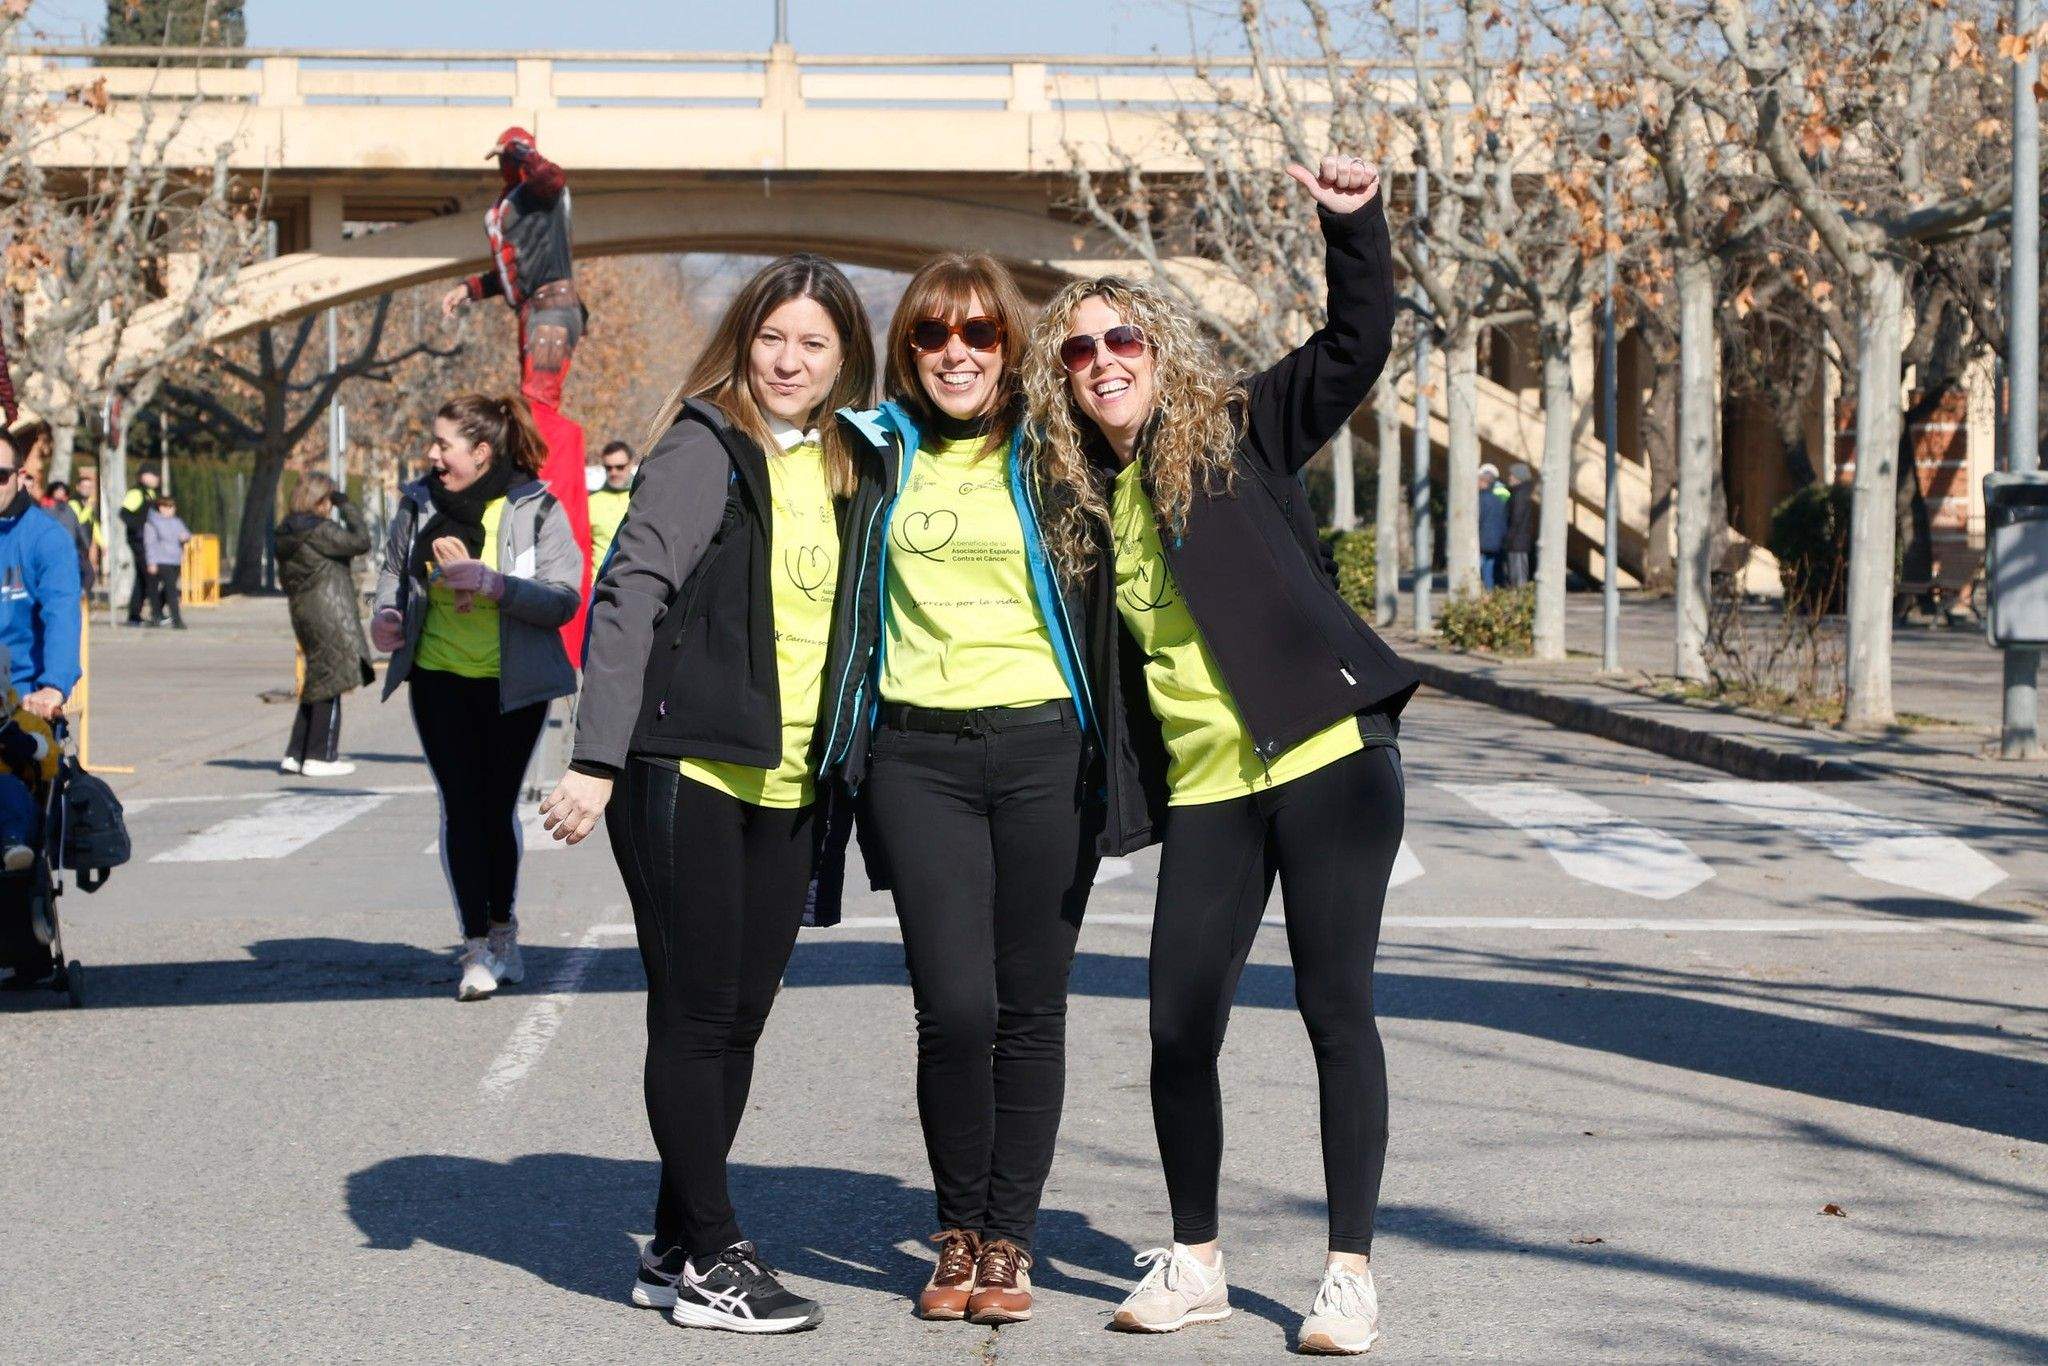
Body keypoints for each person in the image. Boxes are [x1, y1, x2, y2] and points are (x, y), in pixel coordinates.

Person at [1022, 153, 1415, 1355]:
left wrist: (1353, 226)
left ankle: (1347, 1271)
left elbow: (1354, 342)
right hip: (1207, 791)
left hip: (1326, 760)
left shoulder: (1238, 428)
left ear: (1159, 347)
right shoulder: (1071, 493)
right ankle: (1193, 1258)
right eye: (1078, 351)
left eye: (1121, 339)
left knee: (1331, 1008)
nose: (1102, 362)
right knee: (1177, 1025)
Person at [539, 254, 881, 1337]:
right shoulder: (704, 446)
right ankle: (714, 1256)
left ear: (842, 361)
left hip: (786, 780)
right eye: (772, 337)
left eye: (813, 344)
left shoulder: (846, 461)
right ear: (743, 342)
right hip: (681, 765)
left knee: (739, 1013)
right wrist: (595, 758)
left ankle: (674, 1241)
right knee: (695, 1011)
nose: (789, 360)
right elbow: (631, 590)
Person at [831, 252, 1144, 1326]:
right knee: (952, 1008)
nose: (953, 352)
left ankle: (1007, 1240)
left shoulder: (1059, 453)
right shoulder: (869, 453)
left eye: (976, 334)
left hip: (1044, 753)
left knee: (1028, 1009)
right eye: (930, 334)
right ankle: (954, 1225)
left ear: (1009, 349)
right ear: (906, 349)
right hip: (914, 759)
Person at [370, 394, 580, 1002]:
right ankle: (476, 946)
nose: (433, 454)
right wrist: (387, 615)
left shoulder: (535, 507)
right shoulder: (416, 504)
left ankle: (503, 928)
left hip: (513, 684)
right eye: (434, 444)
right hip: (437, 677)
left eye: (444, 444)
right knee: (460, 806)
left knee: (494, 807)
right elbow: (393, 571)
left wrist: (494, 584)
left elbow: (563, 597)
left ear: (481, 452)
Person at [439, 127, 585, 413]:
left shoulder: (540, 193)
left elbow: (552, 177)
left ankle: (545, 458)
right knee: (531, 402)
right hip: (536, 311)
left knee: (538, 404)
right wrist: (467, 289)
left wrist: (520, 150)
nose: (501, 166)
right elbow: (516, 272)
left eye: (504, 159)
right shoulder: (514, 200)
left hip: (551, 311)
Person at [276, 474, 375, 777]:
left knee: (318, 678)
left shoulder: (286, 531)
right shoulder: (320, 530)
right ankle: (321, 755)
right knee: (331, 681)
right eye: (329, 501)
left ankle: (297, 752)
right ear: (320, 500)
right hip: (330, 611)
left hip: (304, 611)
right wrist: (348, 507)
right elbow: (361, 542)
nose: (331, 507)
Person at [0, 432, 81, 725]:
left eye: (0, 475)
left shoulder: (46, 538)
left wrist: (54, 686)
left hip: (16, 704)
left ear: (20, 476)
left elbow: (61, 612)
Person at [120, 466, 161, 624]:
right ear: (143, 476)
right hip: (139, 541)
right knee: (151, 575)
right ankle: (156, 613)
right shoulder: (136, 492)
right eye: (153, 475)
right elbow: (124, 513)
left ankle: (134, 615)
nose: (157, 479)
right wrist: (139, 529)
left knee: (142, 579)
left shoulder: (151, 493)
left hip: (148, 540)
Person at [587, 440, 634, 574]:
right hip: (596, 586)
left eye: (620, 467)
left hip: (630, 581)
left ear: (630, 464)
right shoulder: (590, 502)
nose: (614, 472)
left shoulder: (643, 498)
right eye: (609, 467)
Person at [142, 496, 190, 629]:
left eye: (172, 507)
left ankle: (156, 615)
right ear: (160, 508)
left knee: (167, 589)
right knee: (172, 591)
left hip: (175, 560)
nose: (170, 510)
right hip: (161, 560)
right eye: (167, 507)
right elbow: (150, 544)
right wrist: (151, 562)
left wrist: (185, 537)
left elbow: (185, 533)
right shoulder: (152, 523)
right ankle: (177, 619)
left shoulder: (176, 521)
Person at [43, 481, 95, 596]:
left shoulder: (69, 509)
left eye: (62, 490)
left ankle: (80, 593)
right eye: (58, 490)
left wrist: (86, 544)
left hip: (72, 549)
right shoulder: (46, 509)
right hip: (54, 550)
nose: (60, 493)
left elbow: (78, 526)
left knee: (88, 573)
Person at [1502, 461, 1536, 588]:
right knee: (1515, 574)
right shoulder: (1519, 493)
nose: (1509, 477)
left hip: (1518, 541)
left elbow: (1516, 519)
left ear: (1519, 477)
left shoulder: (1520, 495)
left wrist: (1508, 538)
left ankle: (1521, 601)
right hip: (1517, 540)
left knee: (1519, 575)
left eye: (1512, 475)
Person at [1477, 462, 1509, 590]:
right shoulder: (1499, 496)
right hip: (1498, 537)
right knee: (1493, 566)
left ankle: (1488, 592)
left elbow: (1480, 518)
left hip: (1486, 537)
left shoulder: (1483, 498)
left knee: (1486, 568)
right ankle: (1495, 591)